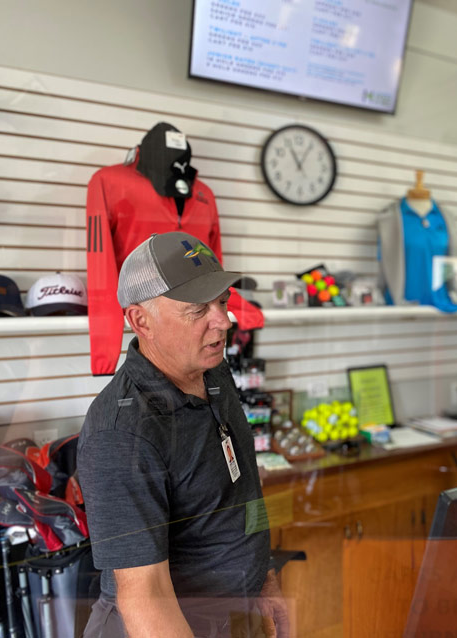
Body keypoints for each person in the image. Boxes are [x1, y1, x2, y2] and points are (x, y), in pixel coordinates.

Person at [78, 231, 287, 638]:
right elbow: (145, 596)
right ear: (141, 321)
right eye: (197, 310)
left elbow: (242, 484)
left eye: (223, 301)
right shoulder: (122, 433)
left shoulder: (212, 371)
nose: (224, 320)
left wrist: (265, 574)